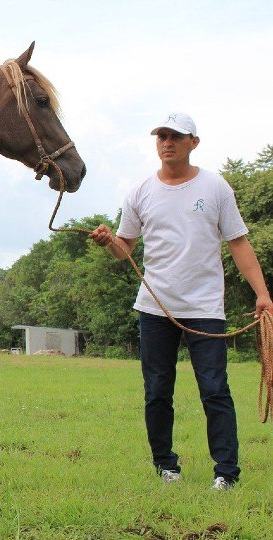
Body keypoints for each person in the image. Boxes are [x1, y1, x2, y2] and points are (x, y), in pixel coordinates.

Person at [89, 112, 272, 490]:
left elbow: (238, 242)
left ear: (194, 142)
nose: (167, 143)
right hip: (155, 308)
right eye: (161, 136)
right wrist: (109, 243)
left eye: (175, 136)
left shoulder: (216, 187)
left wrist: (262, 293)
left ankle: (226, 473)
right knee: (157, 391)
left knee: (215, 390)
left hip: (205, 308)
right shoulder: (140, 191)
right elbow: (125, 250)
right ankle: (166, 467)